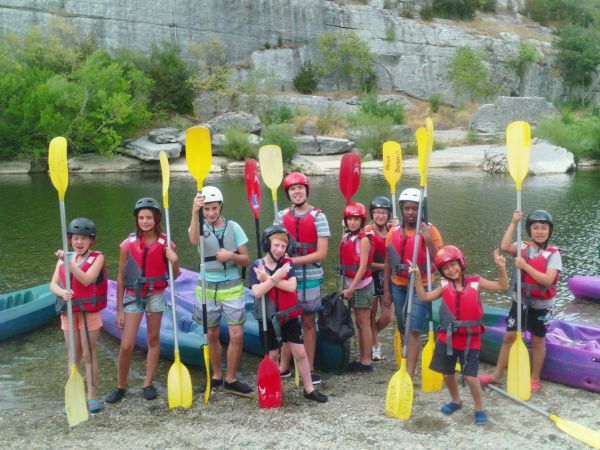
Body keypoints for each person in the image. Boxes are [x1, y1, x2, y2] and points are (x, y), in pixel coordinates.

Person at [413, 245, 508, 425]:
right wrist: (418, 278)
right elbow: (424, 297)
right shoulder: (443, 286)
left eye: (453, 265)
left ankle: (479, 407)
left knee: (471, 378)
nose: (451, 270)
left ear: (461, 263)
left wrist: (501, 267)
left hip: (470, 339)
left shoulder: (476, 282)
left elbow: (502, 286)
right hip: (446, 338)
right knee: (447, 375)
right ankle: (456, 401)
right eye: (446, 268)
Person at [105, 198, 180, 404]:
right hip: (133, 295)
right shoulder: (127, 244)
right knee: (127, 344)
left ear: (156, 219)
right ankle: (120, 386)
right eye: (141, 218)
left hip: (155, 295)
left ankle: (148, 383)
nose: (145, 221)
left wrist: (175, 261)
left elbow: (175, 276)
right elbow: (120, 277)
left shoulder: (166, 243)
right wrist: (119, 310)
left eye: (148, 217)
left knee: (153, 339)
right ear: (136, 220)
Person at [479, 210, 561, 393]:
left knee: (538, 341)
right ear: (529, 230)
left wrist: (525, 266)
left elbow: (547, 280)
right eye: (535, 228)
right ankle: (496, 375)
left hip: (542, 305)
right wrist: (513, 222)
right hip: (520, 300)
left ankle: (535, 377)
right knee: (509, 337)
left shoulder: (554, 255)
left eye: (544, 228)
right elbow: (505, 245)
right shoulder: (523, 247)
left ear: (550, 231)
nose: (540, 231)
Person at [250, 225, 327, 403]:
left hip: (288, 316)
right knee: (273, 356)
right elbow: (257, 292)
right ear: (267, 244)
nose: (279, 250)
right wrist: (276, 277)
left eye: (283, 247)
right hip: (268, 318)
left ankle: (309, 389)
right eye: (276, 245)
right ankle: (274, 390)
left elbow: (291, 286)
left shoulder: (287, 264)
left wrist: (269, 279)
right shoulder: (257, 265)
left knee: (300, 353)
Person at [189, 186, 252, 395]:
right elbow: (193, 240)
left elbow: (246, 259)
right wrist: (194, 211)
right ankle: (216, 375)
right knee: (212, 333)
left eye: (214, 208)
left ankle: (231, 378)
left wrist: (231, 256)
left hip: (232, 285)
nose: (210, 213)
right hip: (207, 286)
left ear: (221, 206)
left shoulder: (234, 227)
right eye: (206, 209)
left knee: (236, 334)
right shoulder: (198, 225)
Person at [382, 188, 443, 378]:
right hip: (398, 284)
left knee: (415, 328)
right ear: (401, 209)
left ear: (421, 209)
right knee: (402, 325)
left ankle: (408, 372)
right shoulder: (393, 232)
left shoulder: (431, 230)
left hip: (422, 285)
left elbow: (440, 259)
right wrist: (386, 291)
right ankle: (405, 359)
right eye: (407, 208)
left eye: (414, 208)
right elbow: (387, 263)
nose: (410, 212)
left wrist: (427, 239)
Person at [275, 172, 330, 385]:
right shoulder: (281, 217)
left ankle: (310, 367)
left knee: (308, 322)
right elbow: (274, 246)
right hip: (287, 277)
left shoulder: (319, 217)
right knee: (287, 320)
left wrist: (293, 260)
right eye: (292, 189)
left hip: (311, 276)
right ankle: (284, 366)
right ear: (287, 193)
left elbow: (322, 253)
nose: (296, 192)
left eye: (300, 188)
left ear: (307, 190)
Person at [50, 217, 107, 413]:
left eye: (84, 238)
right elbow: (53, 285)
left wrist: (68, 262)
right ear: (70, 240)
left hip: (88, 313)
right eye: (75, 238)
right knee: (73, 356)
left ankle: (91, 396)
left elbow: (86, 280)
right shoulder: (65, 258)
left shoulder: (98, 257)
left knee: (88, 354)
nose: (79, 243)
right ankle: (73, 396)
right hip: (69, 313)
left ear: (91, 241)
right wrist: (62, 293)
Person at [340, 202, 376, 371]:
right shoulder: (347, 237)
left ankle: (366, 361)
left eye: (356, 219)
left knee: (364, 323)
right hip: (352, 285)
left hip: (362, 286)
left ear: (362, 221)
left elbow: (362, 268)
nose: (352, 222)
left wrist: (351, 289)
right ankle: (362, 357)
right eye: (349, 219)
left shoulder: (364, 240)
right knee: (358, 322)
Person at [364, 196, 396, 361]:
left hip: (389, 278)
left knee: (387, 316)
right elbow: (366, 262)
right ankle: (375, 345)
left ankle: (367, 336)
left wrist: (399, 229)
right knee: (371, 314)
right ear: (372, 214)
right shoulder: (367, 232)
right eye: (376, 212)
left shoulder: (394, 228)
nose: (380, 216)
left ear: (388, 214)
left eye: (383, 212)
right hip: (373, 276)